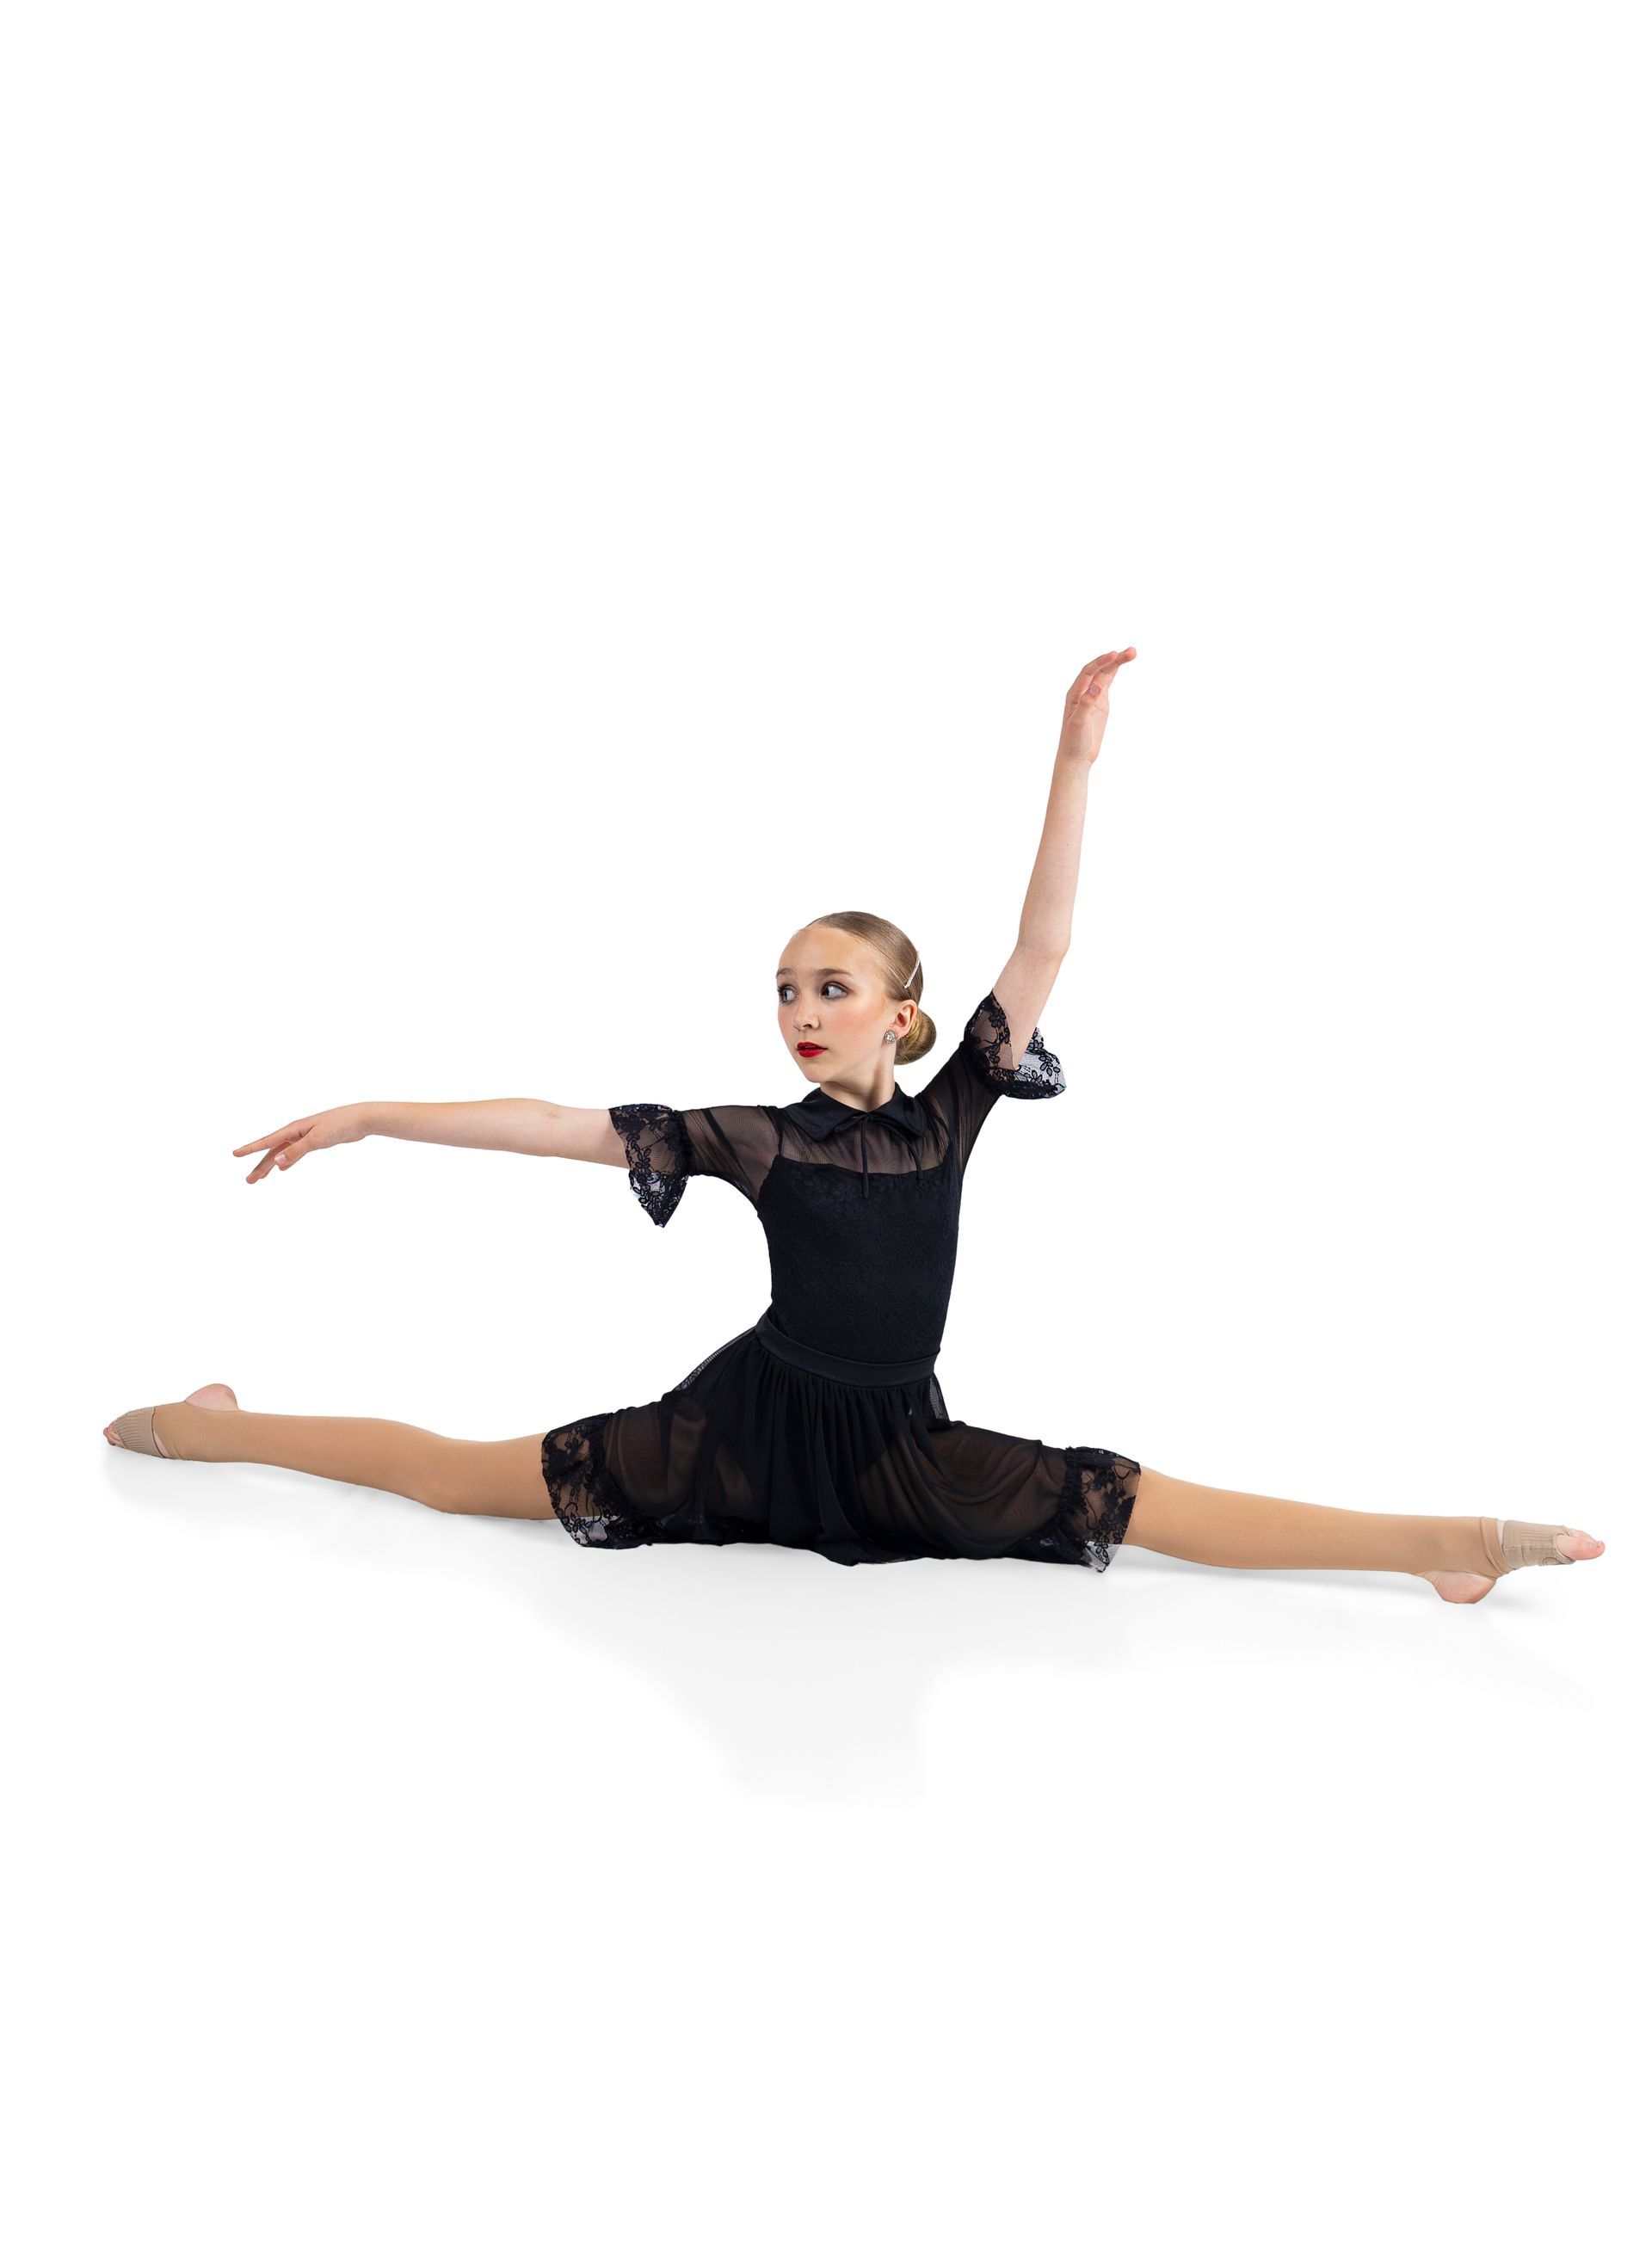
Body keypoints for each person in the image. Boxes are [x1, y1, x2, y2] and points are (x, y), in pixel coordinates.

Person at [104, 650, 1605, 1605]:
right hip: (736, 1432)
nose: (800, 1011)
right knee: (453, 1475)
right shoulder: (757, 1137)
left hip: (901, 1450)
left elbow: (1046, 942)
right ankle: (196, 1429)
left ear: (902, 1014)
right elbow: (555, 1123)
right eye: (784, 990)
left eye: (831, 988)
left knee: (1135, 1500)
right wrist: (373, 1114)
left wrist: (1074, 763)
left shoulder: (953, 1111)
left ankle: (1443, 1545)